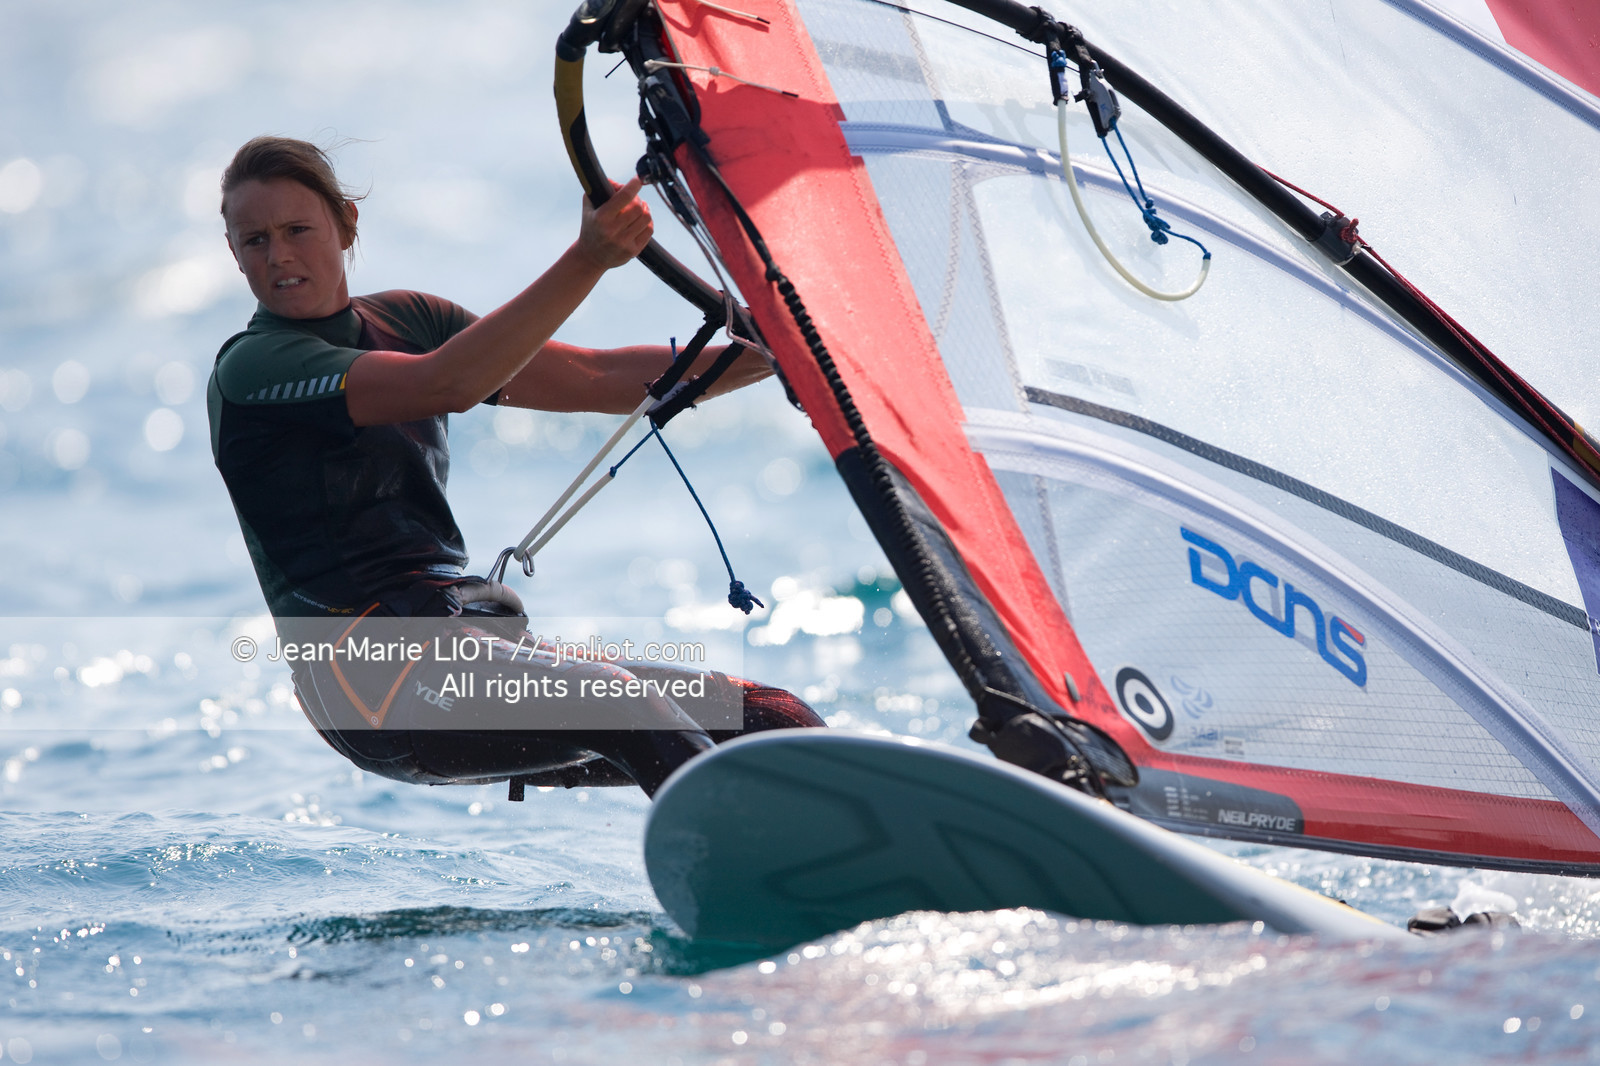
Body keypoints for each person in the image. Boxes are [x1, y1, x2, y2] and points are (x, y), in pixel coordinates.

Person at [207, 135, 822, 797]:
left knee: (770, 717)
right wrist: (589, 259)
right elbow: (446, 384)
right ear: (235, 253)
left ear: (346, 223)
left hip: (462, 644)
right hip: (372, 688)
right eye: (255, 241)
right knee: (623, 706)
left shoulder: (409, 320)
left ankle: (858, 859)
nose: (279, 256)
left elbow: (598, 377)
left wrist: (782, 349)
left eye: (297, 229)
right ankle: (738, 870)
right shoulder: (253, 367)